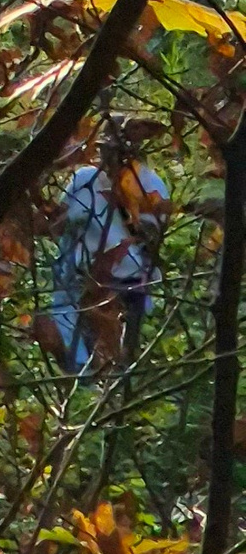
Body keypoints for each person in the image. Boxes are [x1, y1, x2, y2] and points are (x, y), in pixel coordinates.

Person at [38, 125, 171, 374]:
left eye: (112, 149)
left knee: (118, 356)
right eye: (103, 148)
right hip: (83, 280)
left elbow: (153, 237)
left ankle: (116, 381)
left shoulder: (150, 185)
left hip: (128, 284)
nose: (105, 155)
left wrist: (127, 213)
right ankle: (83, 383)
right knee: (79, 354)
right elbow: (58, 224)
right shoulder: (84, 179)